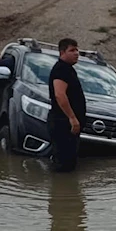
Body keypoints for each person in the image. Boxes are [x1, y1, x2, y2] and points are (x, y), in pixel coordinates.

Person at [48, 38, 86, 172]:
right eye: (72, 50)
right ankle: (61, 192)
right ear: (62, 52)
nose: (76, 53)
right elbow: (60, 94)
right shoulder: (61, 70)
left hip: (68, 124)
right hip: (62, 122)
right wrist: (72, 117)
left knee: (70, 161)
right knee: (63, 163)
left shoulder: (68, 69)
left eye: (77, 50)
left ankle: (66, 190)